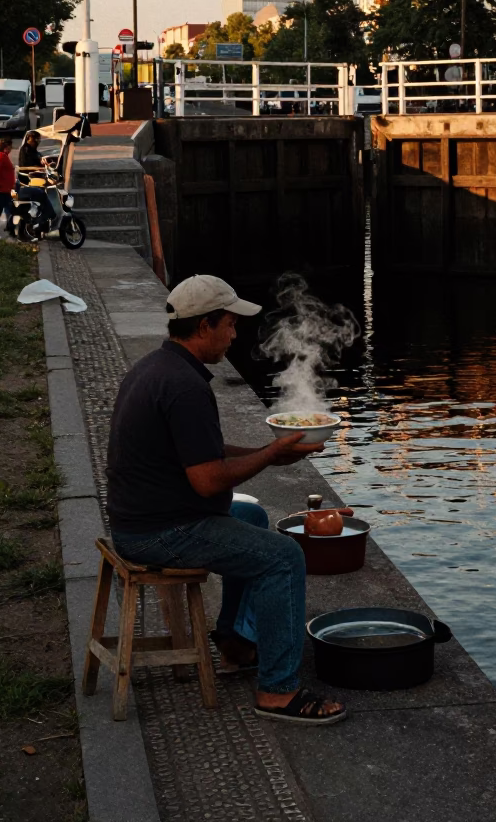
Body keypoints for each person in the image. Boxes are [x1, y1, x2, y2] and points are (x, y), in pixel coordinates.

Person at [106, 274, 347, 727]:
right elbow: (208, 480)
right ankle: (279, 691)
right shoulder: (185, 387)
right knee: (284, 557)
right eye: (230, 325)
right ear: (205, 326)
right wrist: (272, 451)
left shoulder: (158, 367)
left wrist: (268, 456)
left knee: (252, 515)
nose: (234, 334)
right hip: (159, 531)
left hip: (143, 515)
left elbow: (200, 456)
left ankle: (236, 640)